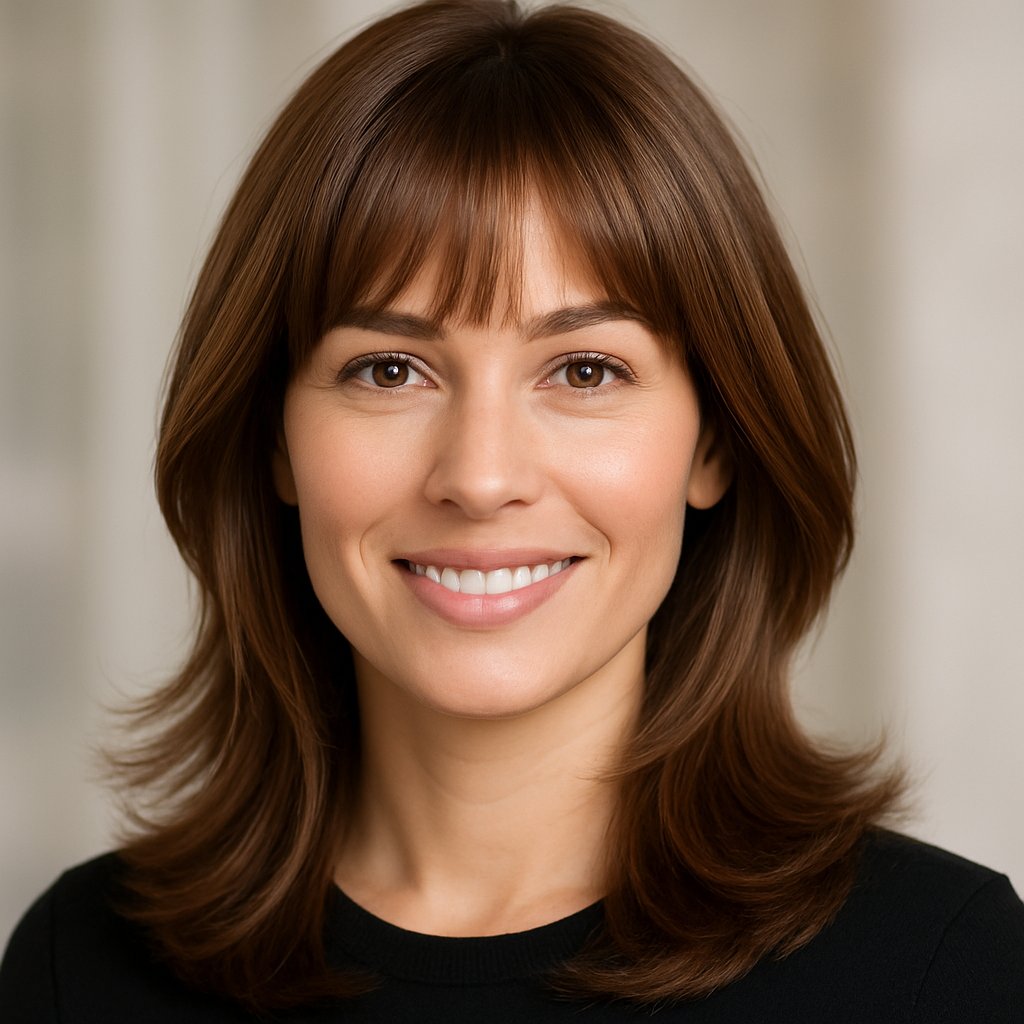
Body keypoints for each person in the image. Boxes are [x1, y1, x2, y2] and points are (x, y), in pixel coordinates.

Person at [2, 0, 1023, 1020]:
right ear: (273, 436)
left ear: (714, 439)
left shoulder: (942, 971)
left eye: (584, 369)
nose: (481, 477)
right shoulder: (78, 968)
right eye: (389, 368)